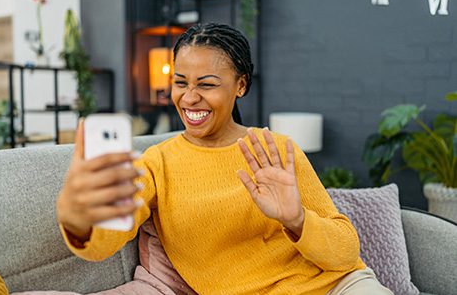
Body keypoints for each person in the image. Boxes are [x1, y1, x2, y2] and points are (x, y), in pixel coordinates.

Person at [56, 23, 393, 295]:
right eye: (180, 83)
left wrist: (297, 220)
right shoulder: (158, 163)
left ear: (240, 85)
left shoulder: (277, 148)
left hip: (336, 286)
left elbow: (346, 252)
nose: (189, 98)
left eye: (207, 84)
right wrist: (78, 220)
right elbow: (105, 241)